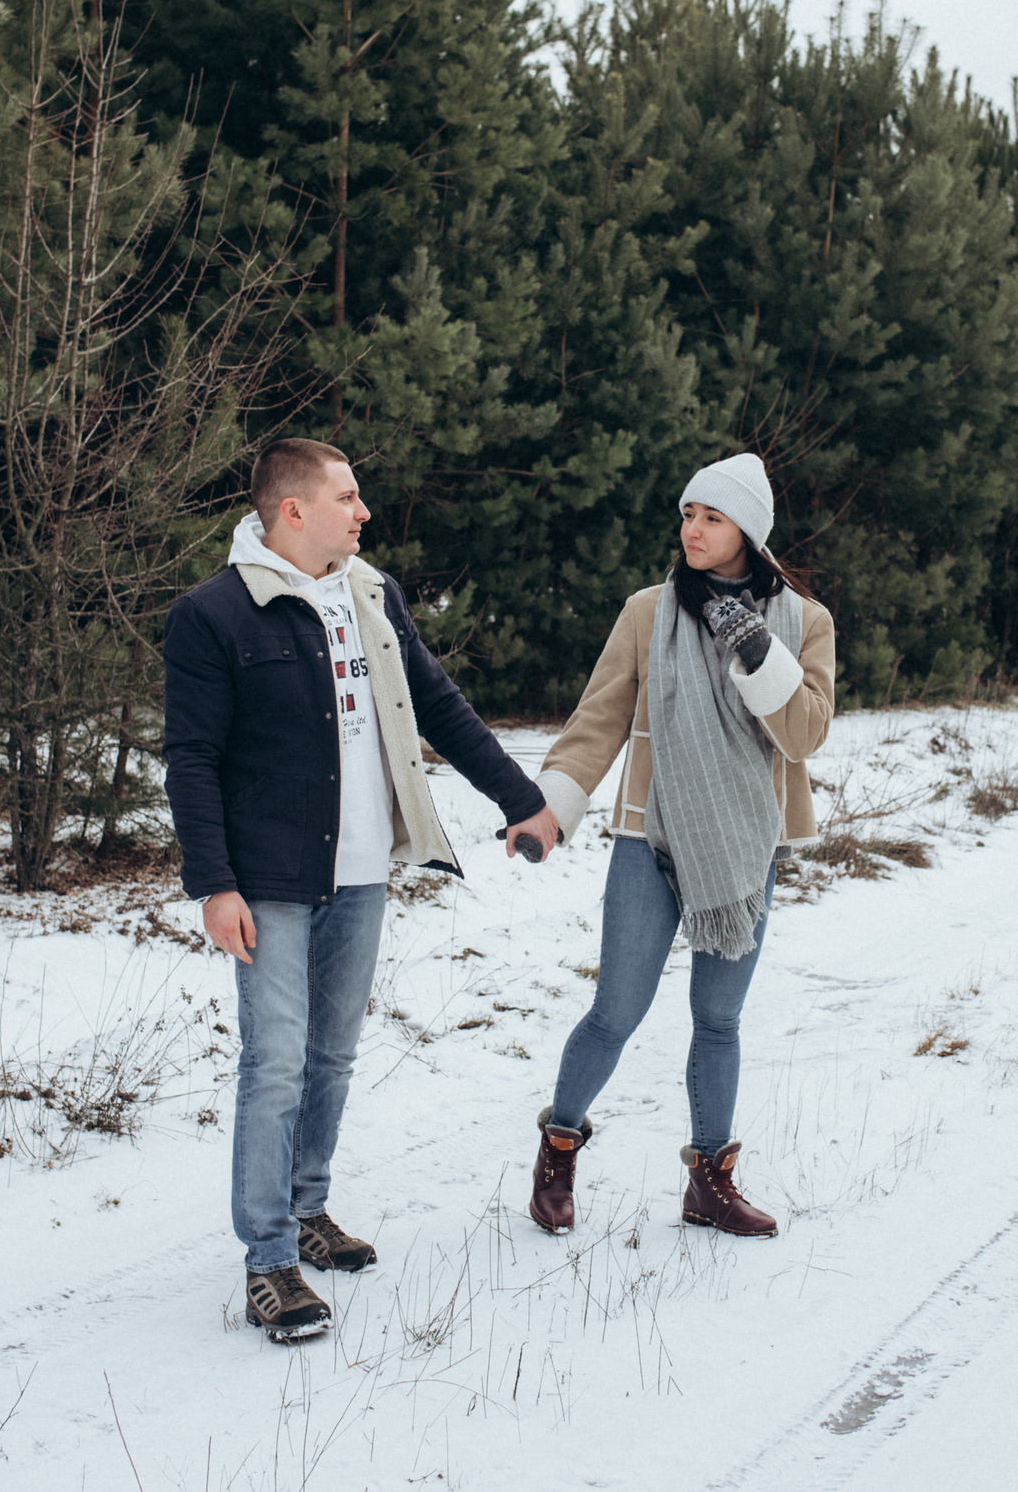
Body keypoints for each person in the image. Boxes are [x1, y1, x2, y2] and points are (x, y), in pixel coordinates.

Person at [163, 439, 560, 1344]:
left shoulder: (369, 595)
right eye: (348, 496)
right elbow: (191, 758)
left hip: (363, 868)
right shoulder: (216, 614)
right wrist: (214, 883)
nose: (364, 510)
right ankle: (269, 1260)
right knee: (274, 1066)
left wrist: (522, 798)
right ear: (292, 510)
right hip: (268, 880)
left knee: (332, 1058)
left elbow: (439, 704)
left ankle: (308, 1210)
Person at [521, 452, 835, 1239]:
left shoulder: (803, 622)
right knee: (616, 1010)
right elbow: (599, 720)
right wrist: (551, 806)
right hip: (650, 835)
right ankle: (559, 1145)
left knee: (718, 1017)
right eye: (688, 513)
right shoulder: (647, 612)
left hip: (743, 844)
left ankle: (710, 1183)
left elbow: (803, 735)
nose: (692, 529)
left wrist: (759, 653)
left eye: (712, 517)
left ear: (748, 533)